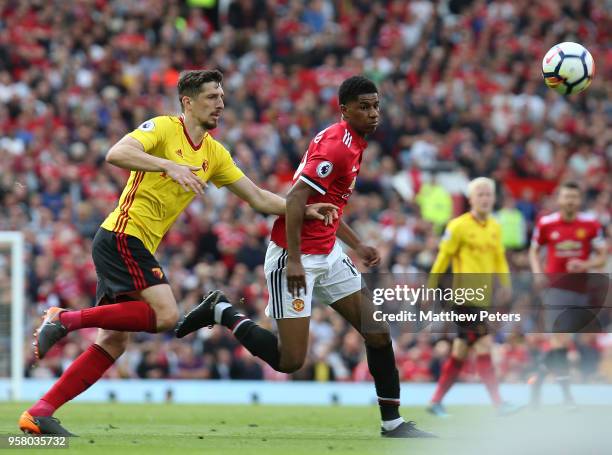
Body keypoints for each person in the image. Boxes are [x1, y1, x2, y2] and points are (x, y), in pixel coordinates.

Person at [19, 69, 337, 435]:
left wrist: (302, 209)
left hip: (134, 243)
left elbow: (258, 197)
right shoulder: (163, 128)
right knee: (167, 314)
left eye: (221, 97)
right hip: (122, 234)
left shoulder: (215, 154)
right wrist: (168, 165)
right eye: (211, 97)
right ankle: (65, 319)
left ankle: (39, 412)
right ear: (188, 102)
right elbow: (116, 153)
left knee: (113, 340)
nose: (220, 104)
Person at [177, 76, 435, 438]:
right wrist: (295, 260)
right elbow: (297, 198)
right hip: (293, 254)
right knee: (290, 360)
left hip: (328, 252)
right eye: (364, 107)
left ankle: (392, 423)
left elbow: (324, 205)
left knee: (377, 331)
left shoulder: (353, 142)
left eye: (376, 105)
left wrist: (356, 245)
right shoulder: (337, 148)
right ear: (344, 109)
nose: (373, 113)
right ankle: (221, 310)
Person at [426, 177, 518, 417]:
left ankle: (435, 401)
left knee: (460, 351)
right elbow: (443, 258)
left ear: (494, 198)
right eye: (481, 194)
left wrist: (506, 284)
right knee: (484, 344)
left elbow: (499, 258)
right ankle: (499, 404)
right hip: (464, 298)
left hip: (483, 299)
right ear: (471, 199)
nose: (485, 198)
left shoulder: (496, 227)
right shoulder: (457, 226)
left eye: (489, 194)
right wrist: (430, 286)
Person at [528, 181, 607, 409]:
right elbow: (534, 250)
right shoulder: (546, 223)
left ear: (579, 200)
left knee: (560, 345)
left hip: (582, 292)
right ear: (559, 199)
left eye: (574, 197)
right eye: (566, 197)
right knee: (560, 339)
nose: (570, 201)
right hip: (555, 289)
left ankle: (537, 380)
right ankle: (567, 398)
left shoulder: (591, 224)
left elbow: (602, 257)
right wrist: (537, 273)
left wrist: (585, 263)